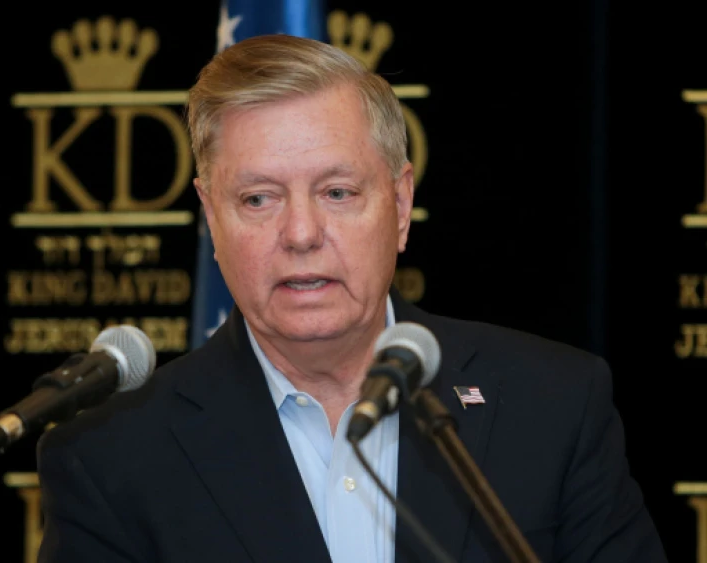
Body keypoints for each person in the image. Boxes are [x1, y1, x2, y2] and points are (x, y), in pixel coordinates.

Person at [34, 34, 667, 563]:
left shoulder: (552, 403)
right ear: (210, 217)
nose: (302, 234)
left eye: (337, 192)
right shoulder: (110, 457)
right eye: (258, 199)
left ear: (399, 205)